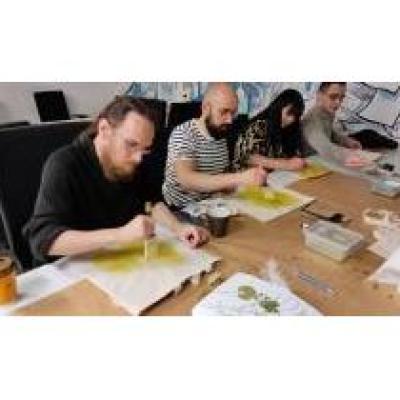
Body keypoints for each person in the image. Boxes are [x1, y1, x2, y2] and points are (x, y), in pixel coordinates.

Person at [24, 96, 209, 266]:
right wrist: (120, 235)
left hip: (116, 260)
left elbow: (152, 202)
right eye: (131, 144)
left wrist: (178, 228)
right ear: (104, 130)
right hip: (71, 270)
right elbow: (42, 240)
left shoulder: (135, 161)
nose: (138, 158)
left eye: (145, 148)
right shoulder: (64, 164)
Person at [162, 83, 266, 209]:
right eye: (224, 112)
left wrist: (249, 180)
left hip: (213, 205)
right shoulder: (184, 133)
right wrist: (239, 178)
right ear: (206, 108)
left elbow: (220, 177)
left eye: (233, 113)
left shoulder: (219, 132)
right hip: (183, 210)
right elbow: (187, 180)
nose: (230, 120)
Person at [233, 89, 307, 172]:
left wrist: (296, 160)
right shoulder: (259, 125)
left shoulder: (291, 128)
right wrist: (286, 164)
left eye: (296, 116)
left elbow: (295, 153)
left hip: (276, 175)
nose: (292, 120)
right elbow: (249, 158)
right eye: (289, 113)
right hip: (246, 176)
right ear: (279, 107)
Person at [302, 82, 366, 167]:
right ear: (319, 95)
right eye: (333, 97)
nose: (338, 103)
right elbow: (324, 146)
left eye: (341, 98)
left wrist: (347, 142)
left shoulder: (327, 113)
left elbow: (329, 132)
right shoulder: (312, 119)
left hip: (321, 159)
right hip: (310, 162)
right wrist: (346, 155)